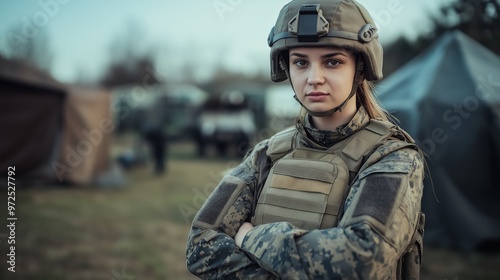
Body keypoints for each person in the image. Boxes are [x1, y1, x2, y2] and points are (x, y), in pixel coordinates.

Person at [186, 0, 425, 279]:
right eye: (300, 62)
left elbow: (358, 261)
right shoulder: (267, 154)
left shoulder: (390, 157)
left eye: (332, 62)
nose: (314, 78)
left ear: (360, 69)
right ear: (287, 68)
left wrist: (252, 238)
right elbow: (200, 246)